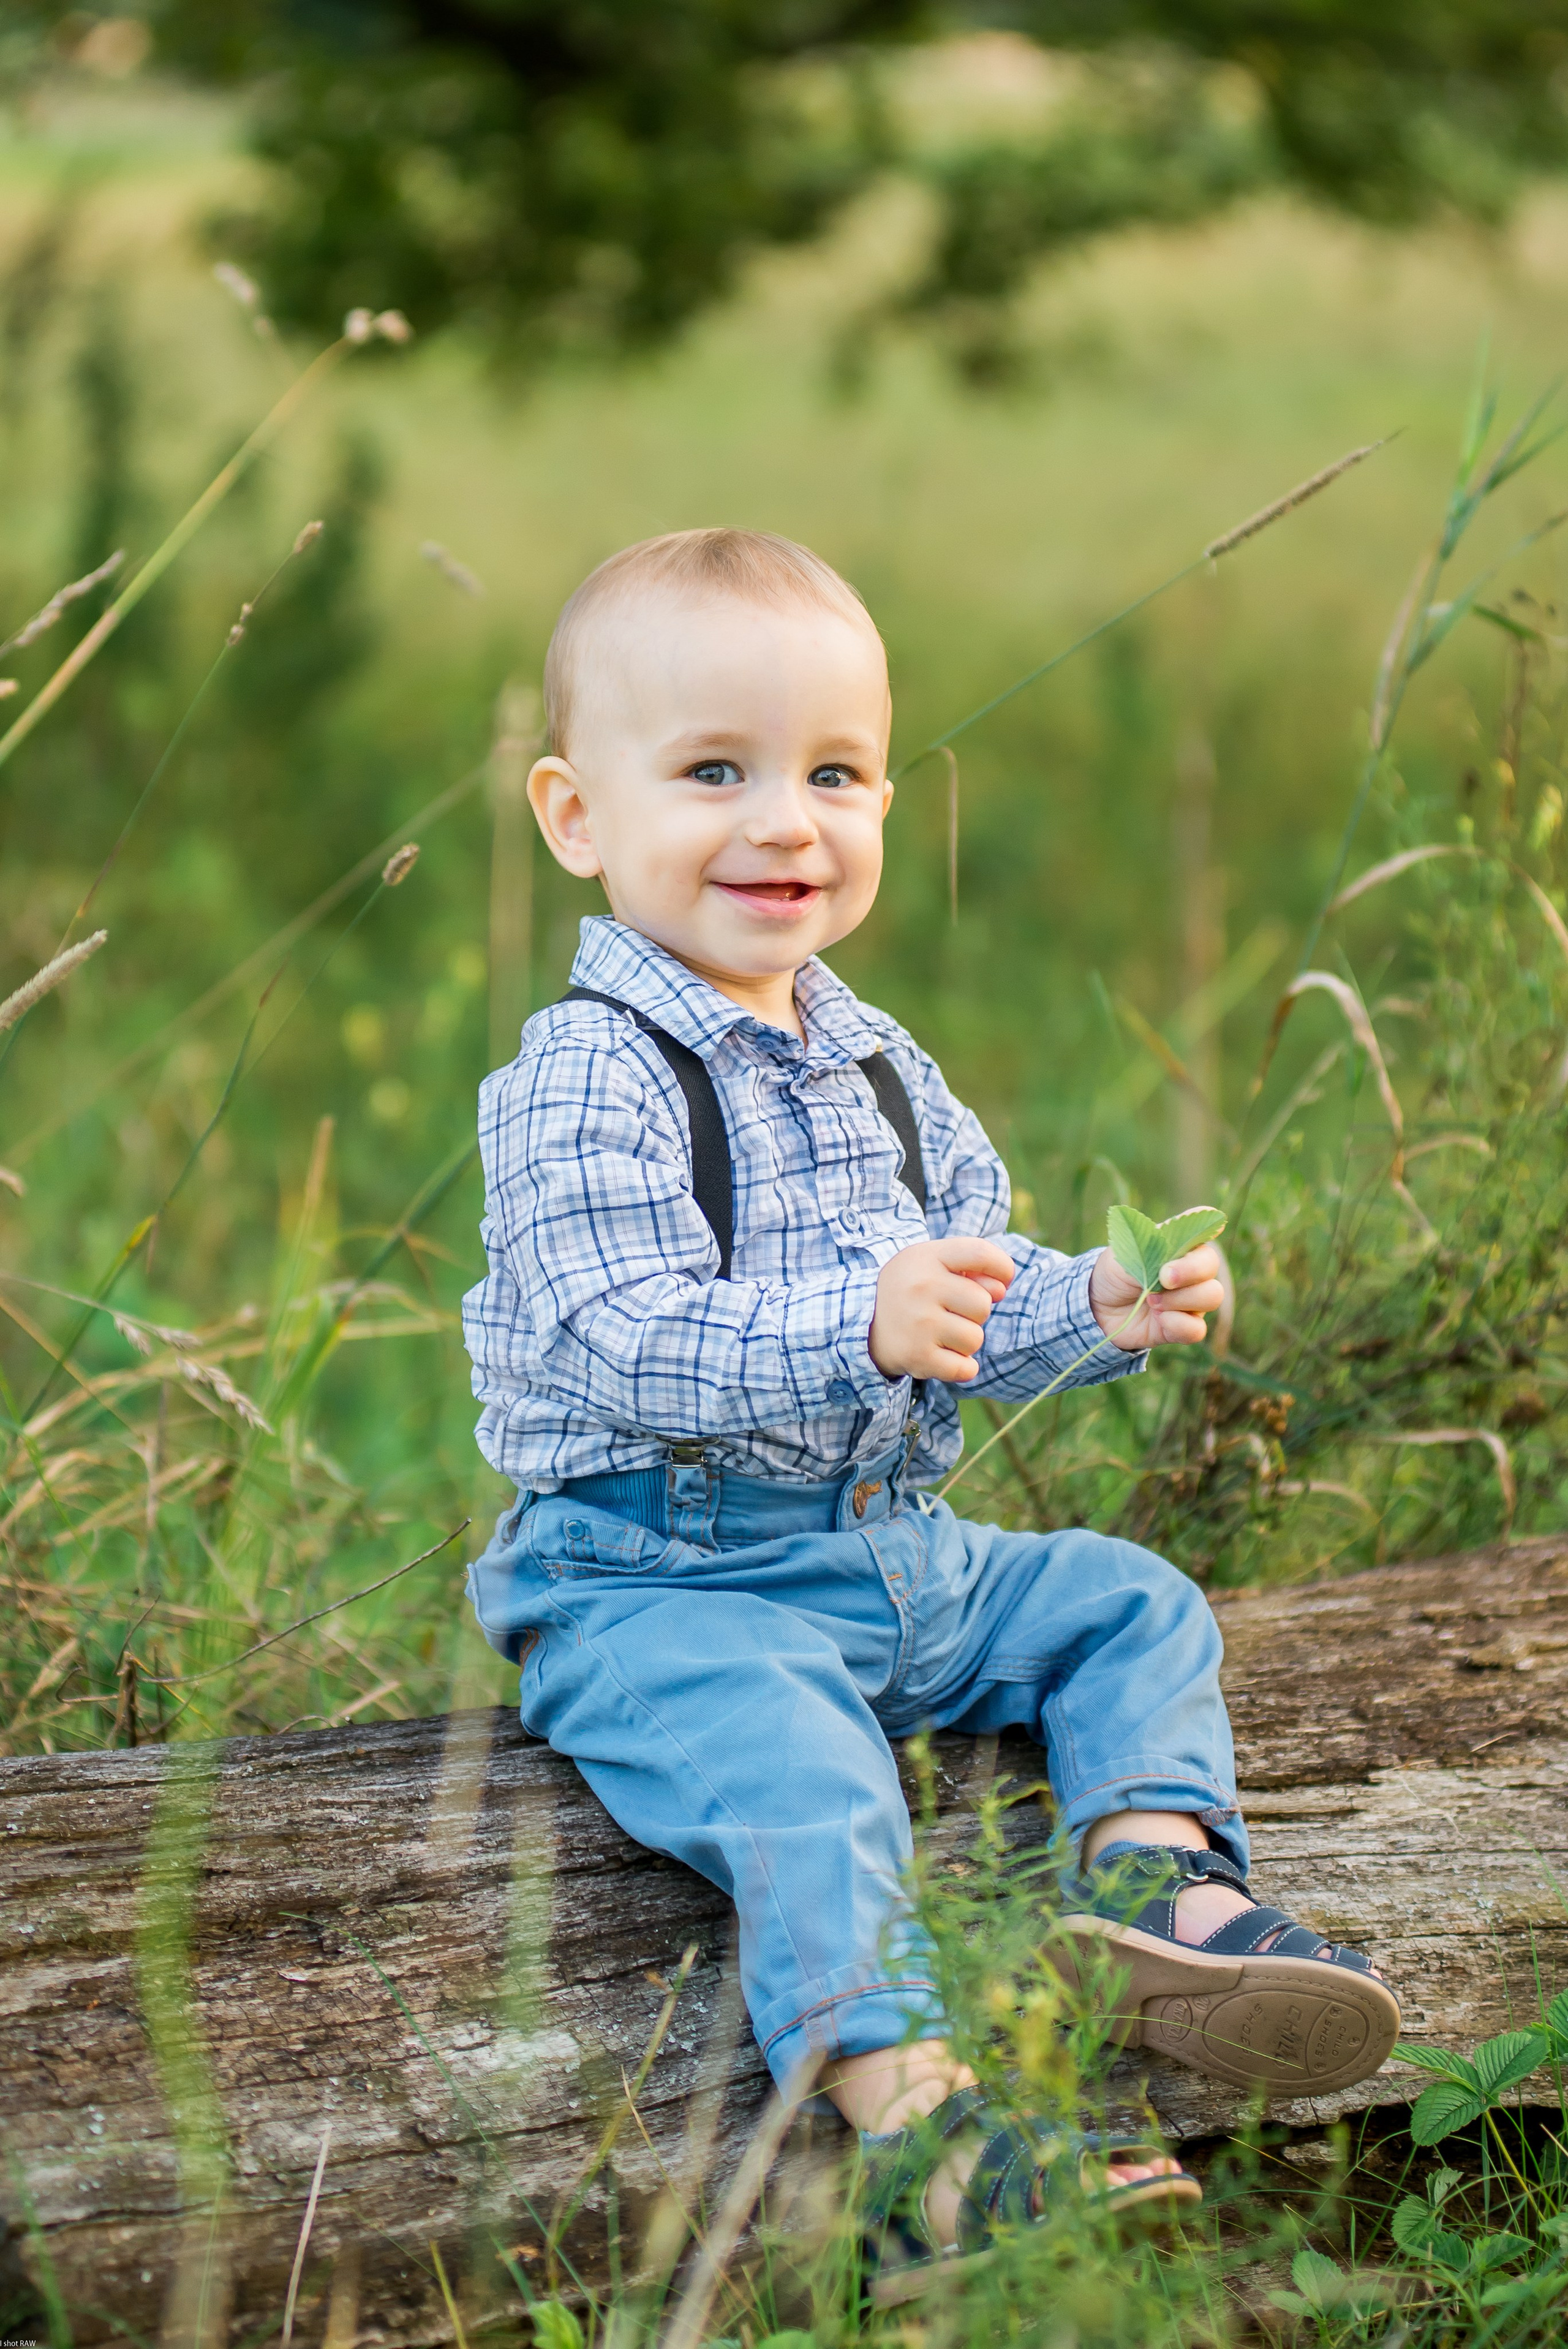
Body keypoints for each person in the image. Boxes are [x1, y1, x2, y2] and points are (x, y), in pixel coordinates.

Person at [462, 528, 1399, 2293]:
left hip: (896, 1556)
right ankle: (925, 2139)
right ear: (577, 815)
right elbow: (614, 1335)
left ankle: (1154, 1882)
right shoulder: (580, 1075)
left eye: (834, 774)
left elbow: (964, 1292)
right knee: (808, 1779)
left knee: (1129, 1601)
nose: (784, 823)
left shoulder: (878, 1061)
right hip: (661, 1585)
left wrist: (1093, 1304)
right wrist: (859, 1319)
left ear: (887, 797)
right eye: (715, 772)